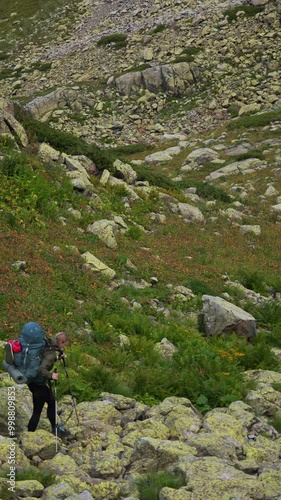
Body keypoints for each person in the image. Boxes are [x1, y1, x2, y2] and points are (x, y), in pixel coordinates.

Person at [27, 331, 70, 437]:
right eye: (64, 344)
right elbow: (42, 368)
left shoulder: (47, 343)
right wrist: (51, 376)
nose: (63, 346)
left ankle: (29, 433)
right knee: (51, 402)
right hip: (38, 383)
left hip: (31, 381)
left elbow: (44, 358)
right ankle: (55, 430)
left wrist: (58, 358)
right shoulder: (51, 352)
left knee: (38, 408)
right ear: (61, 341)